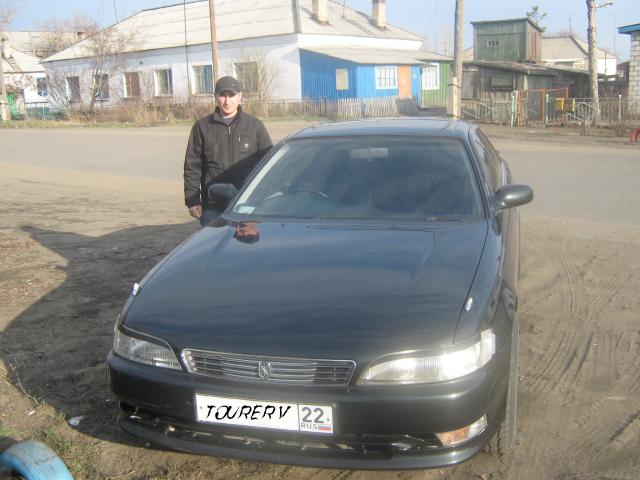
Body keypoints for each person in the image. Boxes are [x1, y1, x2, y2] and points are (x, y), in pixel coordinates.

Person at [183, 76, 273, 226]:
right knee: (213, 240)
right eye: (222, 95)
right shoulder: (202, 127)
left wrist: (264, 199)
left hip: (246, 203)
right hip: (213, 205)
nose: (227, 101)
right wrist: (192, 200)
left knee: (245, 239)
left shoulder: (254, 126)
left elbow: (269, 164)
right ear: (215, 96)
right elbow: (192, 166)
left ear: (240, 96)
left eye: (231, 95)